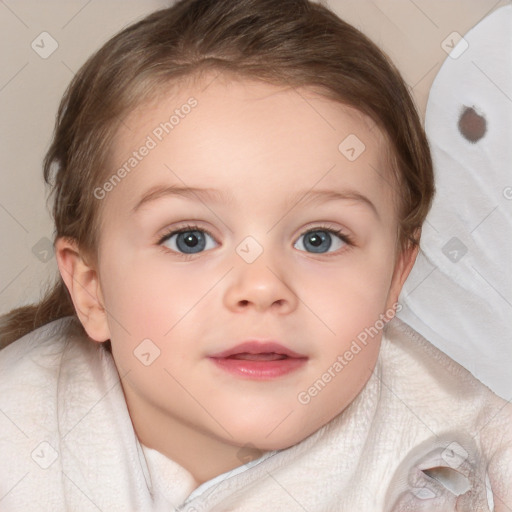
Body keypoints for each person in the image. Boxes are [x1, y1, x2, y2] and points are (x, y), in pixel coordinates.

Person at [0, 0, 510, 510]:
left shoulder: (464, 463)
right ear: (92, 288)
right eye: (190, 239)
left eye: (320, 239)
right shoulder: (20, 433)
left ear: (396, 277)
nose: (262, 287)